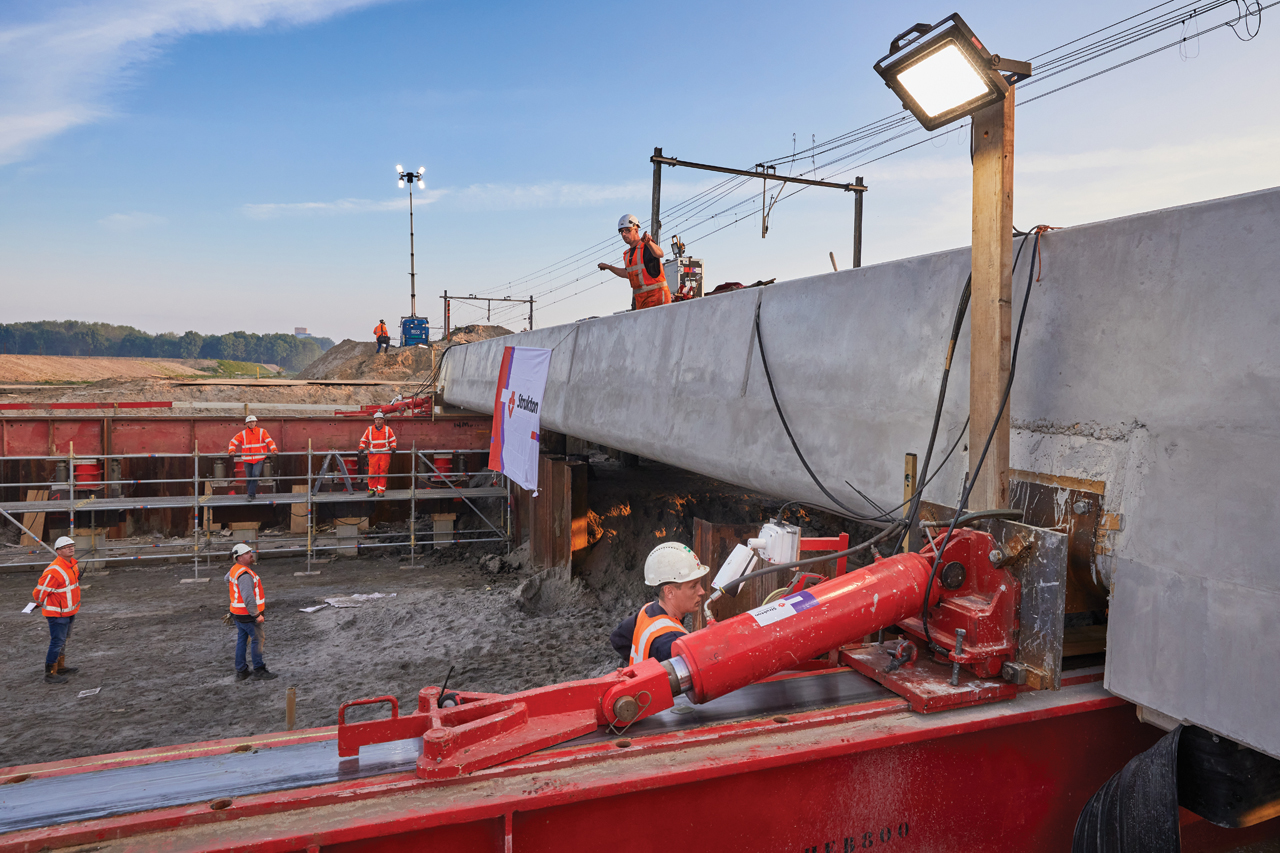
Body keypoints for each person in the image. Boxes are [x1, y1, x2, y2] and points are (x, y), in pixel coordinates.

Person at [610, 542, 708, 666]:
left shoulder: (647, 611)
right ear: (669, 592)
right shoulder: (670, 643)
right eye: (693, 586)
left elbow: (618, 638)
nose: (702, 591)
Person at [32, 536, 81, 684]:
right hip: (57, 613)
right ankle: (50, 673)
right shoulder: (54, 570)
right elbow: (39, 593)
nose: (70, 548)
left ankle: (60, 667)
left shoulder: (72, 565)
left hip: (68, 611)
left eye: (72, 545)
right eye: (66, 547)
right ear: (58, 551)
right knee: (57, 641)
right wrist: (39, 603)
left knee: (63, 640)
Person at [597, 214, 671, 311]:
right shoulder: (627, 254)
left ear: (636, 230)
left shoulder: (646, 246)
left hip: (657, 298)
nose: (623, 234)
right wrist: (609, 267)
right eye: (621, 231)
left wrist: (649, 242)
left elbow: (660, 254)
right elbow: (628, 273)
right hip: (641, 301)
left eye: (627, 230)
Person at [226, 543, 277, 681]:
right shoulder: (244, 575)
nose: (251, 554)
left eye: (250, 552)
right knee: (258, 639)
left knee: (242, 640)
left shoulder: (235, 569)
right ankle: (259, 670)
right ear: (239, 558)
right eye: (247, 553)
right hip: (247, 615)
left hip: (237, 613)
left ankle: (241, 671)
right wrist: (257, 614)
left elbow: (227, 580)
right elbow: (248, 597)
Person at [227, 415, 278, 502]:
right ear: (246, 423)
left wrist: (274, 449)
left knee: (255, 475)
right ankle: (252, 495)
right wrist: (231, 450)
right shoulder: (243, 434)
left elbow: (270, 441)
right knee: (249, 477)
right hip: (247, 459)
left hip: (258, 459)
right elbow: (233, 442)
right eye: (250, 422)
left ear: (255, 422)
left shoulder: (262, 432)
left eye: (253, 421)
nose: (252, 423)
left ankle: (250, 495)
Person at [359, 410, 397, 498]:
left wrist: (393, 447)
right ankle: (372, 490)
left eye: (379, 420)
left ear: (383, 420)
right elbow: (364, 440)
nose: (378, 421)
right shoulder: (369, 429)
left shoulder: (388, 429)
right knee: (372, 472)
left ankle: (381, 491)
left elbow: (392, 439)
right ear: (374, 420)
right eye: (376, 420)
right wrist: (361, 448)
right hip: (373, 454)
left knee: (383, 472)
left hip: (385, 454)